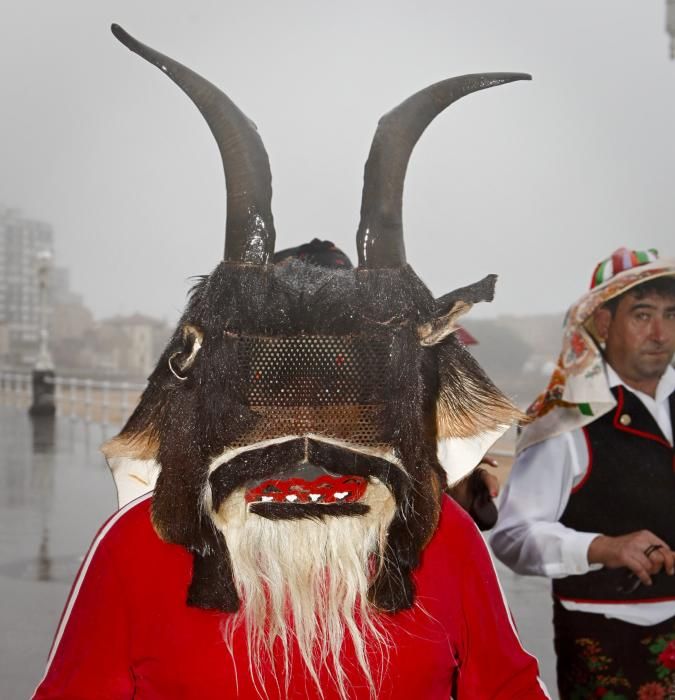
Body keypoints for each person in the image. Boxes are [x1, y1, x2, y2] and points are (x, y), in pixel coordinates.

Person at [33, 25, 550, 699]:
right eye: (270, 383)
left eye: (343, 381)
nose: (304, 426)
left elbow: (506, 685)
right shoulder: (138, 544)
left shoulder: (439, 536)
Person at [490, 247, 675, 699]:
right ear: (603, 324)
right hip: (608, 643)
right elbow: (513, 537)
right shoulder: (564, 420)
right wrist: (603, 547)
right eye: (642, 315)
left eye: (671, 315)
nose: (659, 333)